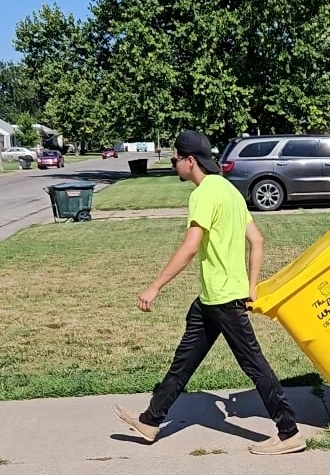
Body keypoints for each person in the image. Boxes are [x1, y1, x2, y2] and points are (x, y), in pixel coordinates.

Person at [113, 130, 305, 455]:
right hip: (212, 300)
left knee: (255, 364)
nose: (174, 164)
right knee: (183, 362)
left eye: (175, 159)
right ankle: (150, 420)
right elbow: (257, 241)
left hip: (223, 300)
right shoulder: (229, 191)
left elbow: (190, 248)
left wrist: (154, 286)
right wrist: (252, 285)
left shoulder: (203, 195)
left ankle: (289, 432)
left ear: (190, 161)